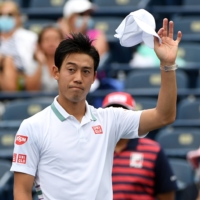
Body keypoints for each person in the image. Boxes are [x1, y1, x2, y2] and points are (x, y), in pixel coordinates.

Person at [10, 18, 182, 200]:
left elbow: (164, 116)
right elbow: (21, 191)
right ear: (56, 72)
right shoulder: (32, 126)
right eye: (71, 69)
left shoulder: (110, 119)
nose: (78, 77)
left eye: (85, 71)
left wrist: (168, 65)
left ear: (93, 77)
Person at [102, 91, 178, 200]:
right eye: (112, 114)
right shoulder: (94, 148)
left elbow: (166, 194)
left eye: (122, 114)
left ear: (133, 115)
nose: (117, 119)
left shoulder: (153, 150)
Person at [58, 0, 109, 67]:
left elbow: (92, 60)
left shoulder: (98, 34)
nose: (86, 18)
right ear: (70, 17)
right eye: (81, 14)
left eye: (88, 14)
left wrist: (75, 35)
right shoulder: (58, 34)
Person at [0, 1, 37, 91]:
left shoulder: (30, 37)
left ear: (18, 18)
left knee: (9, 60)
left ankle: (11, 98)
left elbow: (31, 66)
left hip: (23, 77)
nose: (5, 18)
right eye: (1, 14)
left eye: (10, 15)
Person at [25, 26, 63, 91]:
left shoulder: (68, 63)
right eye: (47, 39)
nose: (51, 43)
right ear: (39, 44)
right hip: (37, 100)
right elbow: (31, 90)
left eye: (55, 39)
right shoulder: (33, 63)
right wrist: (40, 64)